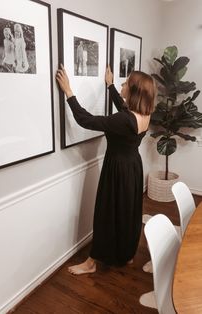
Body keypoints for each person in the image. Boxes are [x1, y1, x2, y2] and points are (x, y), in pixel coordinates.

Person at [56, 64, 156, 275]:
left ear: (134, 91)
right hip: (133, 167)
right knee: (128, 212)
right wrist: (110, 85)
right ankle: (126, 254)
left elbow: (85, 120)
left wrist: (68, 92)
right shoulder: (144, 114)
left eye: (126, 83)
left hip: (117, 169)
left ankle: (92, 262)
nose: (123, 84)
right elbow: (122, 107)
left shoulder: (124, 120)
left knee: (106, 214)